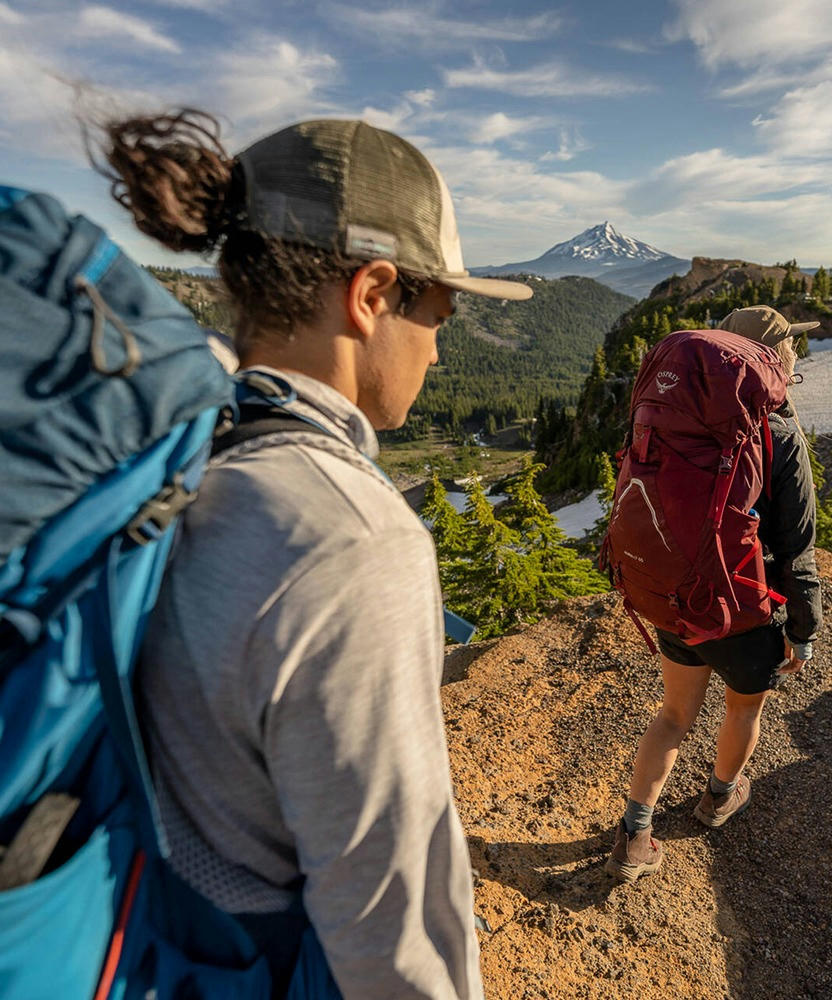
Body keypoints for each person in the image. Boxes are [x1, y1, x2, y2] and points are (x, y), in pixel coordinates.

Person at [95, 111, 532, 997]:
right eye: (440, 310)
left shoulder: (167, 447)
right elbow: (393, 927)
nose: (440, 348)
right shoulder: (352, 541)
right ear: (372, 295)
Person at [605, 305, 822, 884]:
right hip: (742, 611)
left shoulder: (671, 417)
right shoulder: (777, 432)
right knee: (743, 707)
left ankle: (635, 833)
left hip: (673, 596)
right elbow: (797, 549)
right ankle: (719, 797)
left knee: (674, 714)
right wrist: (803, 631)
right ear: (775, 359)